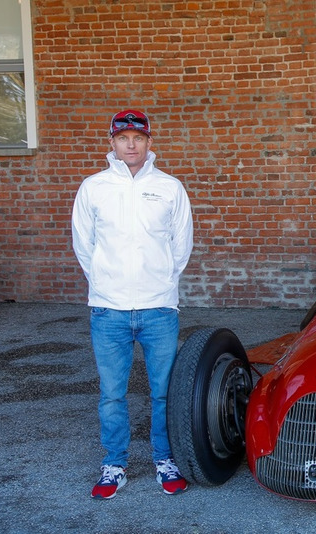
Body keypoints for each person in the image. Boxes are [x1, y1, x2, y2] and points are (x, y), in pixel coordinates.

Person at [72, 110, 194, 499]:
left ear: (148, 142)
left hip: (159, 309)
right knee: (112, 393)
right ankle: (115, 464)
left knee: (163, 392)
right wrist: (106, 284)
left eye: (137, 138)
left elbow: (181, 245)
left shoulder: (170, 188)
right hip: (109, 310)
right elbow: (84, 244)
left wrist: (161, 283)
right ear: (111, 142)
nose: (130, 144)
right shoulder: (94, 188)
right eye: (122, 137)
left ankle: (165, 459)